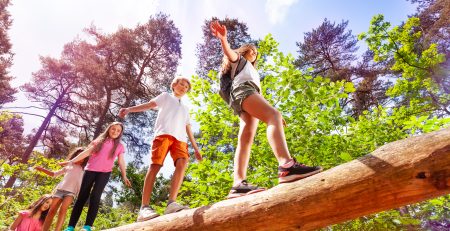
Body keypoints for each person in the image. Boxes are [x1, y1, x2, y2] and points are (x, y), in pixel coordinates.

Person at [210, 20, 322, 199]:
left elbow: (258, 96)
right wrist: (223, 40)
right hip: (243, 91)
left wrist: (272, 113)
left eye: (256, 52)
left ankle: (238, 184)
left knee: (246, 139)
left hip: (244, 96)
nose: (254, 53)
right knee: (273, 116)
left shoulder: (252, 71)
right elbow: (230, 53)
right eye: (251, 50)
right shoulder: (239, 61)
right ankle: (286, 166)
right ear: (243, 52)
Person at [119, 76, 202, 222]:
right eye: (181, 84)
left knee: (183, 162)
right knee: (156, 166)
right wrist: (129, 109)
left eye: (186, 87)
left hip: (180, 139)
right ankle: (144, 208)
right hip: (163, 134)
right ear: (174, 85)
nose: (183, 88)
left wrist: (195, 148)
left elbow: (188, 128)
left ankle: (171, 203)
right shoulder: (165, 97)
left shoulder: (185, 108)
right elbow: (150, 105)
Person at [62, 122, 131, 231]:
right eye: (113, 129)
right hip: (90, 171)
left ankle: (87, 226)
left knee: (95, 197)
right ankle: (70, 226)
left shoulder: (119, 146)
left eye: (118, 131)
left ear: (120, 133)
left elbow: (121, 162)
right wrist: (71, 161)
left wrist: (124, 176)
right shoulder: (99, 141)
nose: (115, 132)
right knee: (82, 197)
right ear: (109, 129)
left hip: (104, 173)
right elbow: (86, 152)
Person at [34, 147, 87, 231]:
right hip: (60, 190)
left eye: (82, 157)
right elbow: (54, 174)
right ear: (75, 156)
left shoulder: (84, 169)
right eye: (78, 156)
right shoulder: (69, 165)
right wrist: (42, 169)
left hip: (71, 192)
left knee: (63, 210)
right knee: (51, 211)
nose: (80, 159)